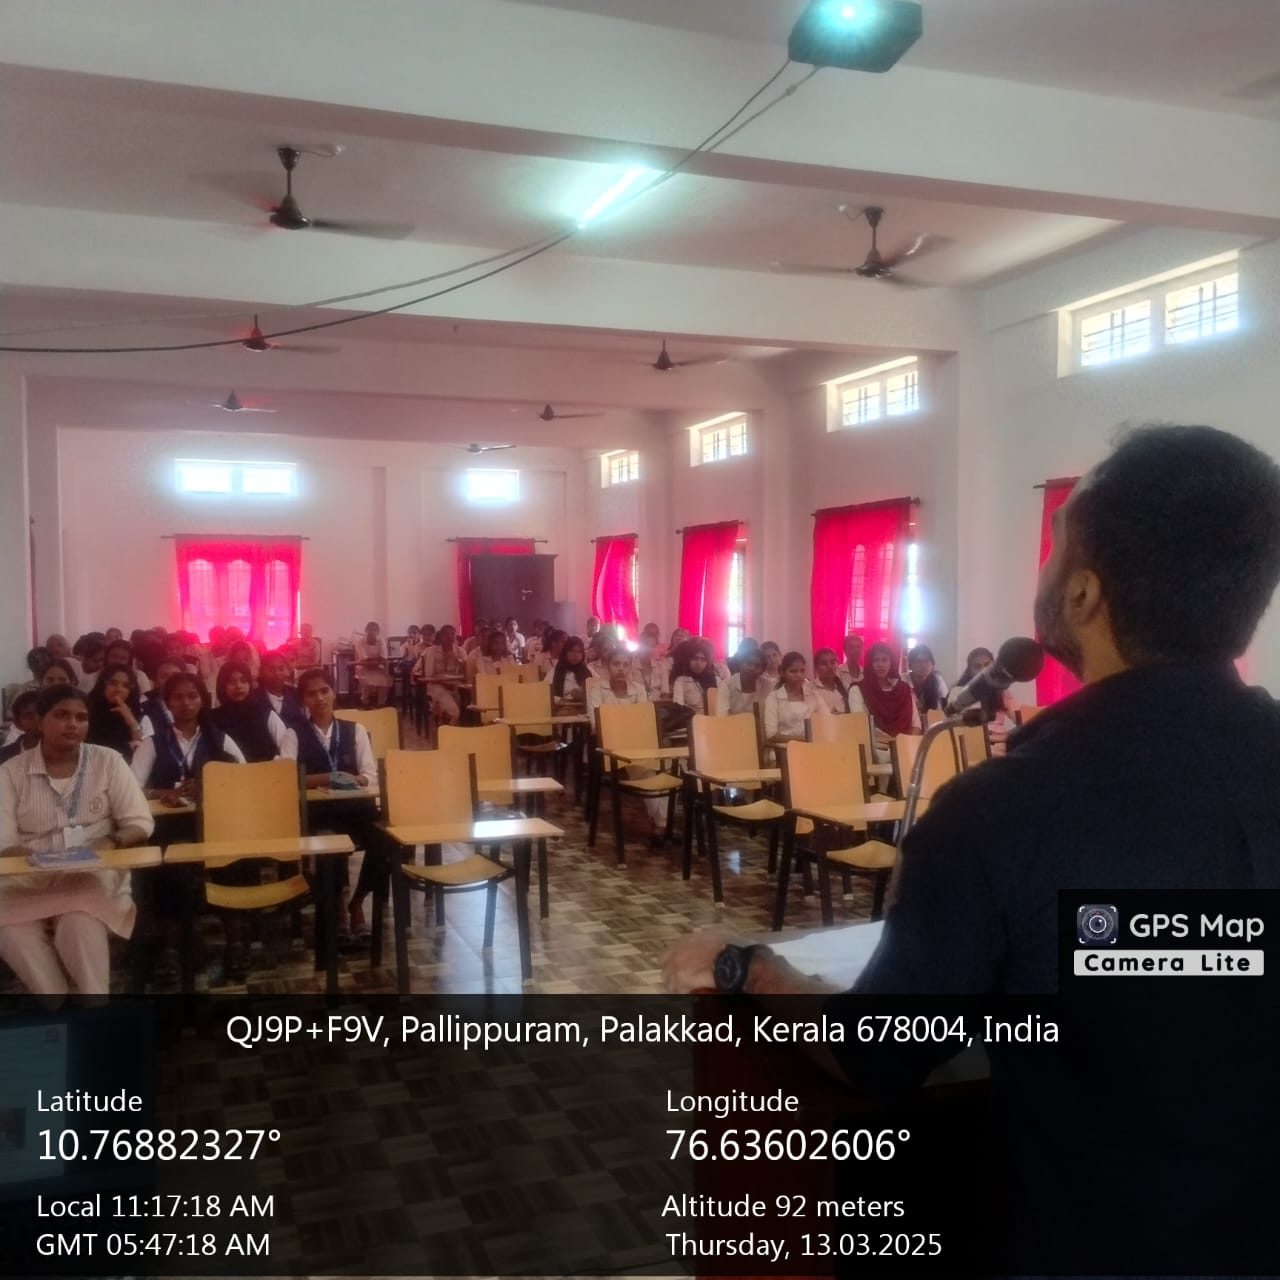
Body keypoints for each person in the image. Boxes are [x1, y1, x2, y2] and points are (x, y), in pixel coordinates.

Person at [663, 425, 1280, 1276]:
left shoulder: (1005, 810)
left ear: (1083, 593)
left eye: (1055, 549)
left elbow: (877, 1054)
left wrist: (749, 969)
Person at [0, 685, 155, 995]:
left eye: (81, 717)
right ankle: (56, 1004)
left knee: (78, 922)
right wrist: (39, 862)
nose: (72, 724)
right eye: (61, 715)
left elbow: (140, 822)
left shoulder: (108, 761)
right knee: (12, 930)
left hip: (91, 873)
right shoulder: (10, 772)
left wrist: (110, 841)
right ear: (39, 720)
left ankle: (95, 1005)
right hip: (28, 878)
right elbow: (3, 842)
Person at [294, 668, 379, 939]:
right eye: (311, 694)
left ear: (333, 693)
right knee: (330, 839)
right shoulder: (293, 734)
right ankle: (338, 906)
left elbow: (370, 774)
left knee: (387, 840)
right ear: (303, 700)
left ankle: (358, 900)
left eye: (325, 691)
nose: (320, 698)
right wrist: (328, 777)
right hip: (319, 812)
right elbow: (285, 778)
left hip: (356, 809)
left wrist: (357, 780)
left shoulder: (355, 730)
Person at [131, 673, 246, 803]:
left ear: (202, 701)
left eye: (192, 696)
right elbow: (131, 788)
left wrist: (207, 788)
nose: (186, 703)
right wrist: (164, 793)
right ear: (167, 703)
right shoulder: (151, 743)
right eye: (178, 697)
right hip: (166, 815)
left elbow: (245, 779)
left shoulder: (220, 739)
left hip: (212, 814)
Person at [211, 662, 296, 763]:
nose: (238, 686)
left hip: (269, 771)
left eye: (243, 681)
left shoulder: (263, 713)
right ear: (222, 685)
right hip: (231, 772)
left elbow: (284, 742)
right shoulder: (214, 719)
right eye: (231, 682)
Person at [762, 651, 828, 746]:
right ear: (783, 673)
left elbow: (828, 720)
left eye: (802, 671)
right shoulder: (774, 698)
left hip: (813, 747)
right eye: (793, 671)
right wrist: (805, 739)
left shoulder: (813, 695)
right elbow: (771, 735)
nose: (799, 675)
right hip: (784, 749)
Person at [86, 664, 149, 758]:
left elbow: (143, 751)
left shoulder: (140, 715)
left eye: (125, 686)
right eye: (113, 683)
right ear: (102, 685)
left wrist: (131, 721)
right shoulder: (87, 709)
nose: (118, 689)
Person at [859, 641, 919, 735]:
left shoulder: (903, 689)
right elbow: (862, 726)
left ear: (891, 663)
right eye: (875, 660)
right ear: (869, 663)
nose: (880, 664)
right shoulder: (859, 689)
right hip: (874, 743)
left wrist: (907, 742)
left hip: (906, 741)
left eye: (884, 660)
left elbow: (916, 724)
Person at [415, 625, 466, 727]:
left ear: (455, 636)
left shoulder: (460, 651)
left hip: (455, 685)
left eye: (452, 634)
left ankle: (445, 724)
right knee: (454, 712)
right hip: (436, 685)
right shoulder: (430, 651)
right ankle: (447, 732)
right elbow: (418, 670)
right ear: (441, 636)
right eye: (446, 634)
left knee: (464, 708)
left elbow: (466, 672)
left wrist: (460, 663)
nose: (449, 637)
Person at [669, 640, 721, 714]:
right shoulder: (681, 681)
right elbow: (678, 705)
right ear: (688, 660)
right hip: (691, 718)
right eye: (695, 658)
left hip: (714, 718)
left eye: (703, 659)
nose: (699, 663)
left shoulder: (715, 680)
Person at [254, 651, 303, 727]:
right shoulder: (253, 698)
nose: (277, 673)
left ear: (287, 671)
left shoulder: (296, 694)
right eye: (271, 669)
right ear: (261, 672)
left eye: (281, 668)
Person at [716, 645, 768, 717]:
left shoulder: (767, 686)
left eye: (757, 666)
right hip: (732, 724)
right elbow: (722, 718)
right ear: (740, 664)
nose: (752, 668)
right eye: (748, 663)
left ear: (763, 671)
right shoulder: (726, 686)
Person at [353, 621, 392, 708]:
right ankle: (365, 703)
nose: (372, 632)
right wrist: (376, 659)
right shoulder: (360, 642)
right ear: (366, 630)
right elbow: (365, 659)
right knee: (366, 681)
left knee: (385, 680)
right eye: (370, 630)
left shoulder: (381, 641)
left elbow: (383, 657)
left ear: (378, 632)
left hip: (377, 667)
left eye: (374, 630)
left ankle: (381, 704)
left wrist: (376, 660)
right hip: (363, 667)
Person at [906, 643, 949, 716]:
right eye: (918, 661)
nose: (923, 665)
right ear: (910, 665)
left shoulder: (937, 680)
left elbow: (945, 708)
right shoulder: (903, 681)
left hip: (931, 720)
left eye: (927, 661)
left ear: (932, 665)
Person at [548, 636, 591, 707]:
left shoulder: (588, 671)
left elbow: (598, 691)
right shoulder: (555, 672)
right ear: (565, 653)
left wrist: (583, 693)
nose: (575, 655)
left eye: (579, 652)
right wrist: (561, 700)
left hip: (585, 709)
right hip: (561, 709)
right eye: (571, 651)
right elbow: (545, 694)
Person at [0, 691, 41, 763]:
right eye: (29, 716)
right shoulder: (3, 756)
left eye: (42, 714)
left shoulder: (61, 752)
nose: (37, 719)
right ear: (18, 723)